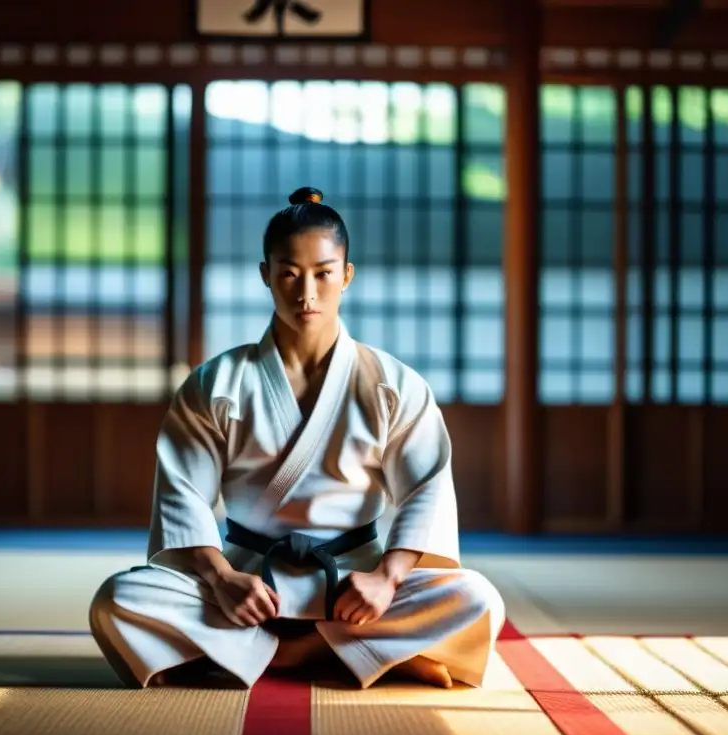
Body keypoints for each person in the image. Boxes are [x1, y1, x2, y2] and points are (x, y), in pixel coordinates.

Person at [89, 187, 505, 690]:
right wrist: (221, 579)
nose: (306, 292)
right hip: (246, 580)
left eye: (323, 273)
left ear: (346, 275)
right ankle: (347, 654)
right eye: (289, 273)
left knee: (478, 598)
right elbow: (184, 494)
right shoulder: (216, 384)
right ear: (266, 275)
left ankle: (270, 655)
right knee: (119, 598)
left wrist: (388, 577)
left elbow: (427, 489)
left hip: (354, 583)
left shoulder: (392, 384)